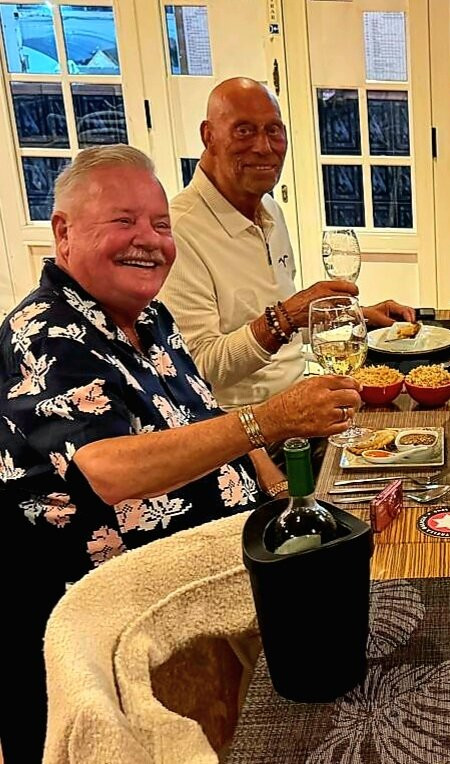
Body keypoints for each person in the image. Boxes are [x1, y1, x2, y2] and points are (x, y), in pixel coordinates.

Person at [0, 145, 361, 763]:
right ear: (63, 232)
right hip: (126, 620)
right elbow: (110, 470)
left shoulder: (150, 317)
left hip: (215, 571)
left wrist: (283, 495)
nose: (149, 240)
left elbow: (207, 413)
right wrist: (269, 419)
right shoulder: (45, 332)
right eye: (124, 221)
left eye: (161, 225)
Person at [160, 77, 415, 410]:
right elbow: (197, 368)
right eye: (244, 131)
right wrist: (285, 317)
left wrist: (353, 317)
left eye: (274, 130)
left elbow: (280, 331)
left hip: (303, 400)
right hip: (243, 426)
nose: (264, 147)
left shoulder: (269, 210)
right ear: (209, 136)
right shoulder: (178, 231)